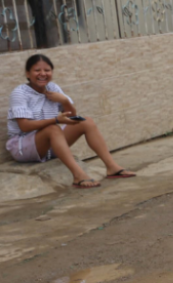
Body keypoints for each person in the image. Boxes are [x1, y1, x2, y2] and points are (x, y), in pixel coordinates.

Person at [7, 54, 135, 188]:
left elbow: (72, 116)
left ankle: (112, 167)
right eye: (37, 70)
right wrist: (56, 119)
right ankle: (78, 176)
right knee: (53, 128)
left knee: (86, 121)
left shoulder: (53, 88)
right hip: (23, 147)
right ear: (28, 73)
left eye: (47, 70)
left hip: (51, 143)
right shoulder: (19, 93)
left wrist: (64, 100)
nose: (42, 74)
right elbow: (25, 126)